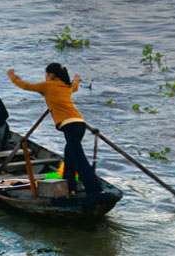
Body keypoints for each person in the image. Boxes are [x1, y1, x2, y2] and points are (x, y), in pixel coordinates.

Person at [8, 64, 105, 199]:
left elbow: (26, 86)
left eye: (46, 74)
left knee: (79, 160)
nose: (45, 77)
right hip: (79, 124)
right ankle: (70, 188)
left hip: (69, 125)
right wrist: (76, 79)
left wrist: (13, 77)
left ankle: (95, 190)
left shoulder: (48, 86)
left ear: (51, 75)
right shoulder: (66, 86)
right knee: (70, 158)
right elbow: (74, 87)